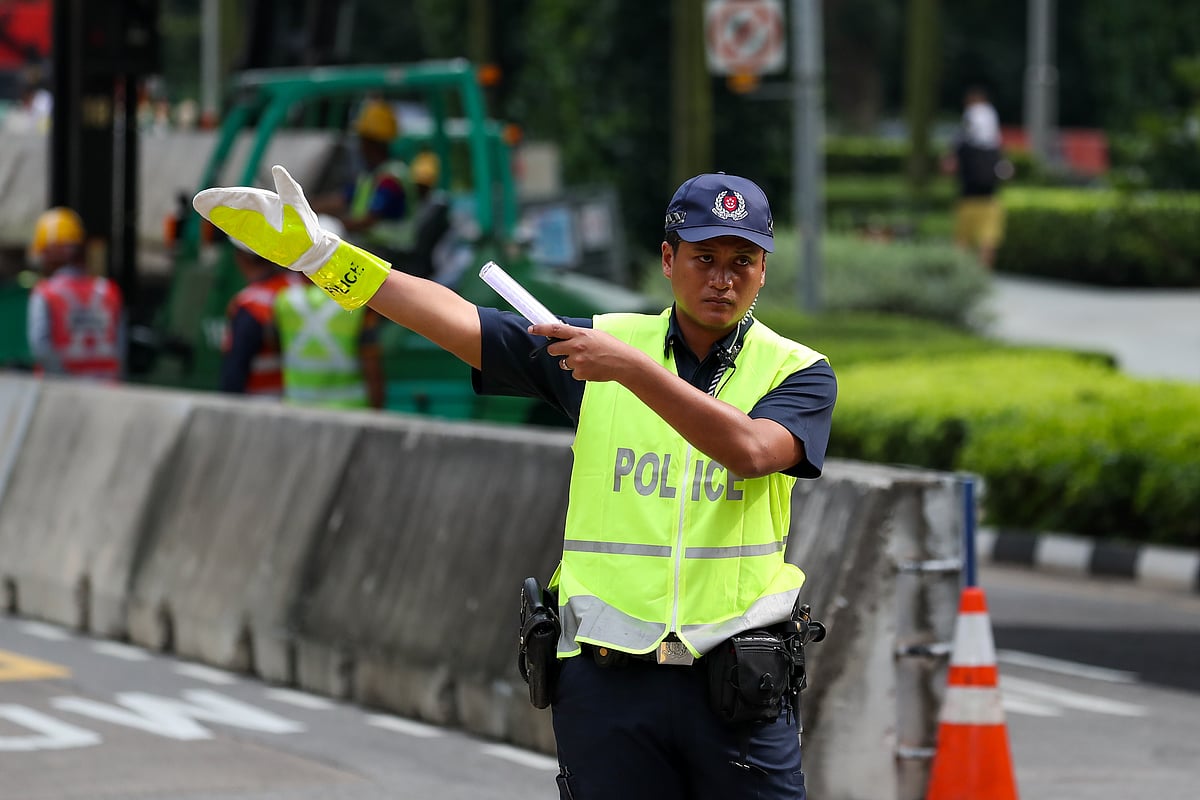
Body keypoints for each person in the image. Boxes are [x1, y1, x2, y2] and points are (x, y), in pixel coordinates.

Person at [194, 166, 837, 800]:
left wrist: (632, 372)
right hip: (609, 681)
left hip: (738, 685)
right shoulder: (600, 349)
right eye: (704, 258)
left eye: (741, 262)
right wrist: (326, 257)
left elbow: (754, 452)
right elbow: (458, 321)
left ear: (762, 269)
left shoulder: (797, 372)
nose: (723, 280)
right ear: (668, 260)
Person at [273, 215, 386, 409]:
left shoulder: (284, 301)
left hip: (297, 413)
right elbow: (371, 364)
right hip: (349, 415)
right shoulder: (357, 303)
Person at [26, 207, 124, 381]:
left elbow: (40, 346)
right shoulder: (109, 291)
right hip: (108, 394)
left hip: (61, 395)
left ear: (49, 252)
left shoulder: (46, 294)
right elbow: (121, 349)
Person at [311, 99, 410, 259]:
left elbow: (368, 221)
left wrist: (329, 228)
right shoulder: (372, 177)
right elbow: (340, 199)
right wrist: (304, 205)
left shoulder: (390, 179)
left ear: (370, 143)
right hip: (375, 249)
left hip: (390, 253)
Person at [218, 237, 297, 397]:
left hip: (259, 401)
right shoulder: (296, 289)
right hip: (296, 399)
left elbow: (236, 366)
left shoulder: (250, 304)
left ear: (242, 258)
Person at [944, 86, 1009, 268]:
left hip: (967, 197)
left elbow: (948, 166)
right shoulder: (994, 144)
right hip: (990, 198)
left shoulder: (961, 143)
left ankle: (963, 280)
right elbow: (1006, 170)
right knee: (988, 242)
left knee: (962, 242)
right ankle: (982, 279)